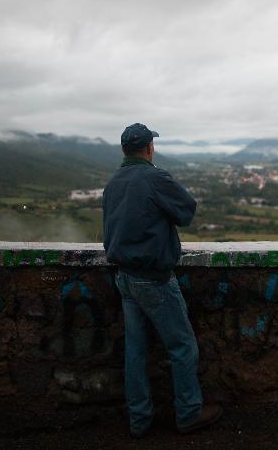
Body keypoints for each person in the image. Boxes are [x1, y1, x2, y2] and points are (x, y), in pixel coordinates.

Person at [102, 123, 222, 438]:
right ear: (149, 148)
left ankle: (139, 420)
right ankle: (188, 413)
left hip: (124, 278)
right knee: (182, 345)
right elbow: (186, 211)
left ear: (125, 150)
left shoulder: (113, 182)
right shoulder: (155, 177)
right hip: (152, 278)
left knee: (136, 352)